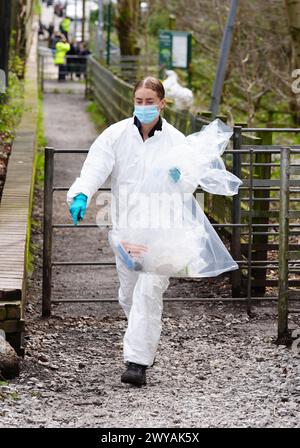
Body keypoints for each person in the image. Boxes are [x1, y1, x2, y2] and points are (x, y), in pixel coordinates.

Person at [66, 77, 186, 386]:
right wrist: (82, 193)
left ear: (162, 103)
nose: (144, 107)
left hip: (161, 230)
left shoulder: (176, 141)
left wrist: (181, 177)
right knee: (130, 293)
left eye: (150, 101)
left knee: (149, 290)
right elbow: (95, 166)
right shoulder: (116, 135)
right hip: (125, 229)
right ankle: (143, 340)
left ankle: (137, 362)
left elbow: (190, 180)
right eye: (140, 101)